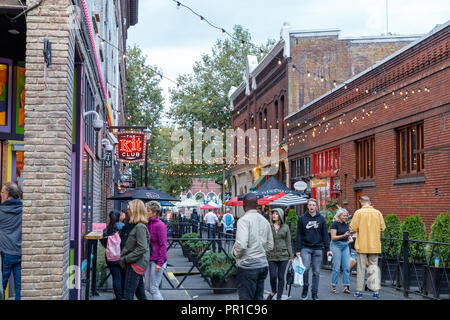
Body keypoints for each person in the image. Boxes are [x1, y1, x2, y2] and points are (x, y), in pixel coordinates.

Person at [232, 193, 274, 300]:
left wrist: (236, 255)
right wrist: (260, 250)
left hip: (248, 265)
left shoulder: (243, 220)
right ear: (257, 204)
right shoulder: (265, 221)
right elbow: (270, 246)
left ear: (243, 205)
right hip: (262, 264)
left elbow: (241, 244)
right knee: (258, 297)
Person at [349, 196, 386, 299]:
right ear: (370, 202)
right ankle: (375, 292)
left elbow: (353, 227)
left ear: (361, 202)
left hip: (362, 244)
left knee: (361, 268)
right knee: (374, 267)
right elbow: (383, 228)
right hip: (374, 245)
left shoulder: (358, 213)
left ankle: (359, 291)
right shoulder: (378, 213)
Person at [295, 198, 332, 300]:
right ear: (307, 206)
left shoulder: (321, 219)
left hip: (317, 249)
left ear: (316, 207)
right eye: (310, 205)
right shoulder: (302, 218)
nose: (311, 207)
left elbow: (325, 235)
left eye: (313, 205)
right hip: (305, 248)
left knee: (316, 272)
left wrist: (328, 248)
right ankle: (305, 288)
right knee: (306, 269)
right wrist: (298, 250)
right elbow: (299, 235)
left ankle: (314, 293)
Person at [120, 199, 150, 300]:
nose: (127, 210)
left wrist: (127, 258)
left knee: (128, 294)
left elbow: (142, 247)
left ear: (134, 210)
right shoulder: (134, 225)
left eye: (129, 208)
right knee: (140, 294)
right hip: (135, 263)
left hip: (135, 264)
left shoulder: (140, 226)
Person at [0, 182, 22, 300]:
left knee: (1, 286)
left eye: (2, 192)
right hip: (20, 253)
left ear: (7, 195)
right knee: (20, 289)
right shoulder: (24, 210)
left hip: (5, 255)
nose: (1, 194)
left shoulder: (1, 211)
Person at [266, 208, 293, 300]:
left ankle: (279, 296)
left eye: (276, 214)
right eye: (273, 213)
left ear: (280, 216)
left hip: (283, 255)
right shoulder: (268, 226)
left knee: (281, 276)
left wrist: (291, 256)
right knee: (273, 276)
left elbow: (288, 242)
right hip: (271, 255)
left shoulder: (285, 227)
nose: (274, 215)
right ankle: (274, 291)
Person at [144, 201, 168, 300]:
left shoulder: (160, 225)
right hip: (148, 259)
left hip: (158, 260)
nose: (146, 212)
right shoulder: (146, 224)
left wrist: (160, 263)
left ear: (155, 212)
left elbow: (163, 245)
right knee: (147, 287)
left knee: (153, 288)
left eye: (148, 210)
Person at [100, 210, 124, 300]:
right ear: (119, 217)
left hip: (110, 257)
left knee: (116, 277)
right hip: (121, 256)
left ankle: (118, 297)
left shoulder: (106, 229)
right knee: (122, 276)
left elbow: (103, 242)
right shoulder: (123, 227)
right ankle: (123, 295)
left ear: (109, 218)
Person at [330, 208, 352, 294]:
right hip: (336, 245)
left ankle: (345, 287)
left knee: (346, 267)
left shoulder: (347, 224)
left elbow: (349, 233)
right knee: (336, 267)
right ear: (339, 216)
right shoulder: (335, 224)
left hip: (345, 245)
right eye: (344, 215)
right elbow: (333, 237)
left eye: (346, 216)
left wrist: (349, 237)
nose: (346, 217)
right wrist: (344, 235)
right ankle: (333, 286)